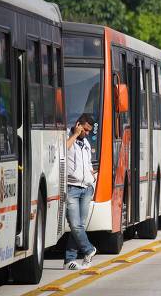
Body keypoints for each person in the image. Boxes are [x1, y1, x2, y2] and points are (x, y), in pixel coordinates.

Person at [64, 113, 97, 270]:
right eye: (85, 129)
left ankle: (69, 260)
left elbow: (88, 162)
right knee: (75, 225)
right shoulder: (68, 136)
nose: (87, 133)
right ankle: (89, 250)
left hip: (86, 188)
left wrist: (92, 175)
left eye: (89, 131)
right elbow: (63, 150)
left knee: (80, 226)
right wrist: (75, 134)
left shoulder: (86, 143)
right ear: (78, 125)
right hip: (71, 188)